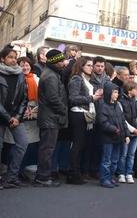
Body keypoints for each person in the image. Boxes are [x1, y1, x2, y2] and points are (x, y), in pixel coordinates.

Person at [34, 49, 68, 187]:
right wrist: (63, 110)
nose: (63, 63)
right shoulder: (50, 76)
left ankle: (43, 175)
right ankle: (42, 177)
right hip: (50, 118)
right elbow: (53, 98)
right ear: (55, 62)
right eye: (61, 61)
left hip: (51, 117)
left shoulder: (52, 74)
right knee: (47, 149)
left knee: (47, 148)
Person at [67, 57, 103, 184]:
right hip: (78, 114)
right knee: (77, 145)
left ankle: (76, 174)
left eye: (91, 65)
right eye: (88, 65)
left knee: (81, 145)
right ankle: (73, 175)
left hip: (85, 114)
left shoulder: (86, 79)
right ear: (81, 66)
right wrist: (92, 97)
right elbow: (73, 98)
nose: (91, 67)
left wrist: (95, 95)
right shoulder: (76, 78)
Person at [0, 47, 29, 188]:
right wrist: (8, 117)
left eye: (15, 57)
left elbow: (24, 98)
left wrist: (17, 117)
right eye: (10, 57)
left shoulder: (20, 75)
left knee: (23, 142)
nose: (13, 60)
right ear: (2, 59)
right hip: (2, 116)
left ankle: (11, 176)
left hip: (15, 117)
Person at [97, 82, 129, 188]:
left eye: (117, 92)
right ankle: (104, 179)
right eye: (115, 92)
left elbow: (123, 121)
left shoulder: (117, 106)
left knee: (114, 160)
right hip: (108, 138)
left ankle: (110, 177)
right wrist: (114, 129)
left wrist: (126, 135)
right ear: (108, 92)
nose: (117, 94)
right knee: (107, 160)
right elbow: (103, 122)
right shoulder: (103, 106)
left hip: (118, 138)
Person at [17, 57, 40, 180]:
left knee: (32, 143)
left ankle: (27, 171)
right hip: (19, 114)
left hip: (34, 115)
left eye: (27, 65)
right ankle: (17, 171)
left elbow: (41, 97)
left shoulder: (36, 79)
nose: (25, 68)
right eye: (22, 65)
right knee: (19, 144)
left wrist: (35, 109)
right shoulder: (16, 78)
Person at [117, 81, 137, 184]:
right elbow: (122, 118)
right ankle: (121, 173)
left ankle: (129, 173)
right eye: (136, 89)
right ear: (129, 90)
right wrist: (133, 129)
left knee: (131, 154)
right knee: (123, 154)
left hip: (136, 132)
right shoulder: (121, 102)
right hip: (126, 132)